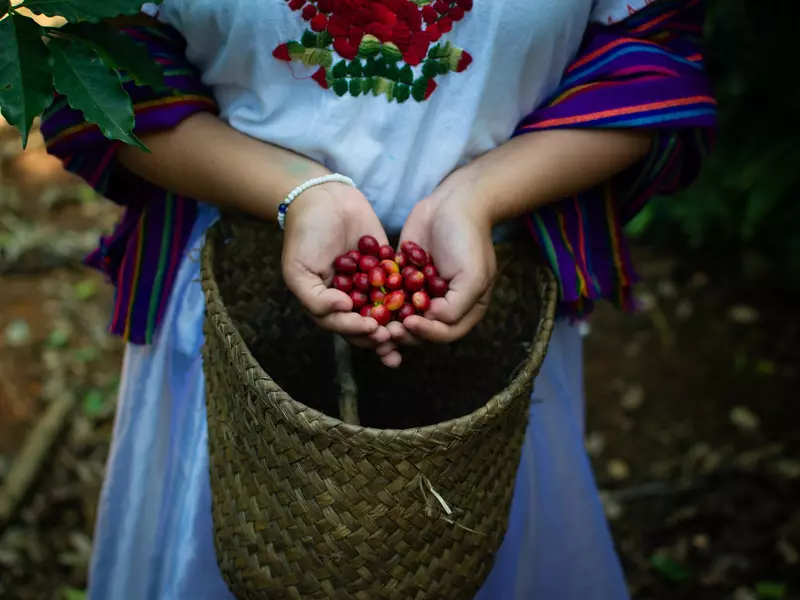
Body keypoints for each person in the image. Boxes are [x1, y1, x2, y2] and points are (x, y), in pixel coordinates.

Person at [41, 0, 716, 598]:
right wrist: (297, 191)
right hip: (227, 322)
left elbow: (654, 57)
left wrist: (480, 195)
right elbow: (98, 72)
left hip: (494, 314)